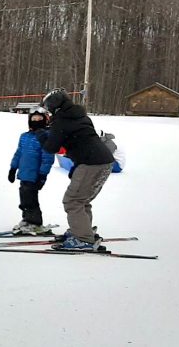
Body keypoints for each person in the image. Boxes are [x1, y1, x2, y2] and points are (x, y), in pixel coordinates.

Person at [36, 88, 115, 250]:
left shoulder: (61, 120)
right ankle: (82, 230)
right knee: (82, 199)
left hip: (91, 163)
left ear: (54, 106)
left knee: (73, 201)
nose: (49, 112)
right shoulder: (80, 116)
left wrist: (41, 135)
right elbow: (81, 141)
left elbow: (51, 147)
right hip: (103, 161)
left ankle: (84, 239)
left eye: (49, 108)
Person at [8, 108, 54, 234]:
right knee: (24, 198)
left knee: (31, 199)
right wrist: (13, 168)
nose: (36, 121)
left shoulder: (46, 137)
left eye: (39, 119)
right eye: (33, 119)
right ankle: (27, 219)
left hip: (35, 175)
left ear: (45, 120)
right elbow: (18, 153)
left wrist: (42, 175)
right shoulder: (24, 136)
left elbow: (48, 158)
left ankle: (35, 223)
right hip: (24, 174)